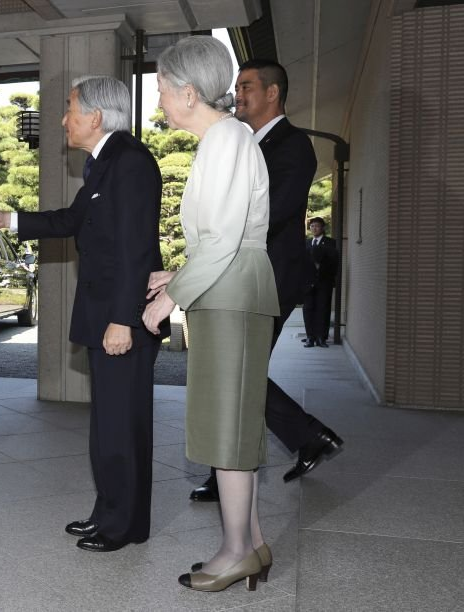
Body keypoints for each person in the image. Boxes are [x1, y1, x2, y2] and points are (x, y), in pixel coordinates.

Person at [0, 75, 168, 553]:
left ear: (95, 116)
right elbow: (72, 221)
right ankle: (110, 513)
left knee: (122, 426)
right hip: (105, 312)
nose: (63, 119)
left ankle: (123, 525)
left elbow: (135, 250)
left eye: (69, 109)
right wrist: (5, 219)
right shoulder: (104, 163)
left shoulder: (130, 162)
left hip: (119, 316)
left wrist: (123, 319)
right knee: (109, 424)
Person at [142, 36, 278, 593]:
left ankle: (236, 551)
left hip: (231, 294)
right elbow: (227, 236)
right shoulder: (226, 139)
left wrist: (168, 300)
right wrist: (179, 275)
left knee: (228, 428)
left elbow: (223, 238)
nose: (159, 104)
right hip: (229, 288)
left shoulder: (225, 140)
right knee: (230, 423)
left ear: (189, 92)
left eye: (162, 91)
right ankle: (253, 542)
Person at [189, 60, 344, 501]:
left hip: (269, 278)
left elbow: (270, 213)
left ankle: (294, 443)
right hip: (242, 275)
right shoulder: (245, 142)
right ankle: (301, 440)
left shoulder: (292, 146)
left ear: (273, 93)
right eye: (237, 86)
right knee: (240, 372)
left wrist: (218, 235)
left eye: (247, 86)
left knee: (237, 372)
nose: (237, 94)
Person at [303, 216, 338, 347]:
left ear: (323, 228)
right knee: (308, 310)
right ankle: (310, 337)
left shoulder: (330, 242)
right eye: (312, 226)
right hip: (308, 283)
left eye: (317, 226)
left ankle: (321, 338)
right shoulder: (306, 243)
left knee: (323, 309)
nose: (314, 228)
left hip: (324, 282)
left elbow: (334, 261)